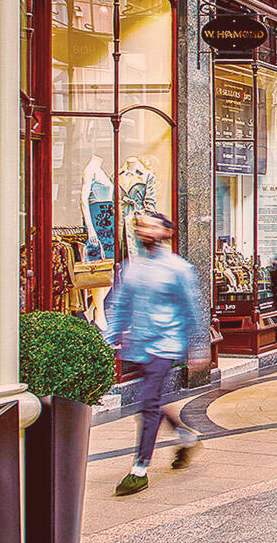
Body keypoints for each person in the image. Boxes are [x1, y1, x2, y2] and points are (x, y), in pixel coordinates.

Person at [104, 212, 205, 496]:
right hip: (139, 345)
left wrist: (197, 348)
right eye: (141, 226)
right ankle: (186, 437)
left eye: (151, 225)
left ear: (166, 233)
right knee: (152, 401)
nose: (144, 230)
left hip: (166, 344)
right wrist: (109, 338)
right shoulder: (131, 268)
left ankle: (139, 469)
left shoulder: (178, 269)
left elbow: (192, 310)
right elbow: (121, 306)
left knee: (147, 403)